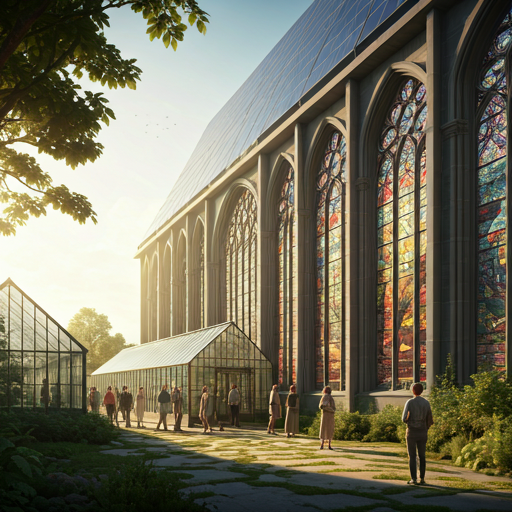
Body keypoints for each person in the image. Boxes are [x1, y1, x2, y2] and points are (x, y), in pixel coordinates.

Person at [402, 382, 434, 485]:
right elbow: (429, 419)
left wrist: (409, 421)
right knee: (422, 456)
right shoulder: (426, 403)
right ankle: (423, 478)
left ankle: (414, 479)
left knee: (412, 456)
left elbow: (403, 418)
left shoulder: (410, 402)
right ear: (422, 391)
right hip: (423, 431)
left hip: (412, 432)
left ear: (413, 391)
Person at [319, 386, 335, 450]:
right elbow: (322, 406)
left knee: (327, 429)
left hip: (328, 415)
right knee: (326, 428)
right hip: (326, 414)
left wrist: (330, 409)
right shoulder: (325, 397)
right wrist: (330, 409)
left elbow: (332, 406)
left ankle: (326, 444)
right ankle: (324, 444)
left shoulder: (330, 397)